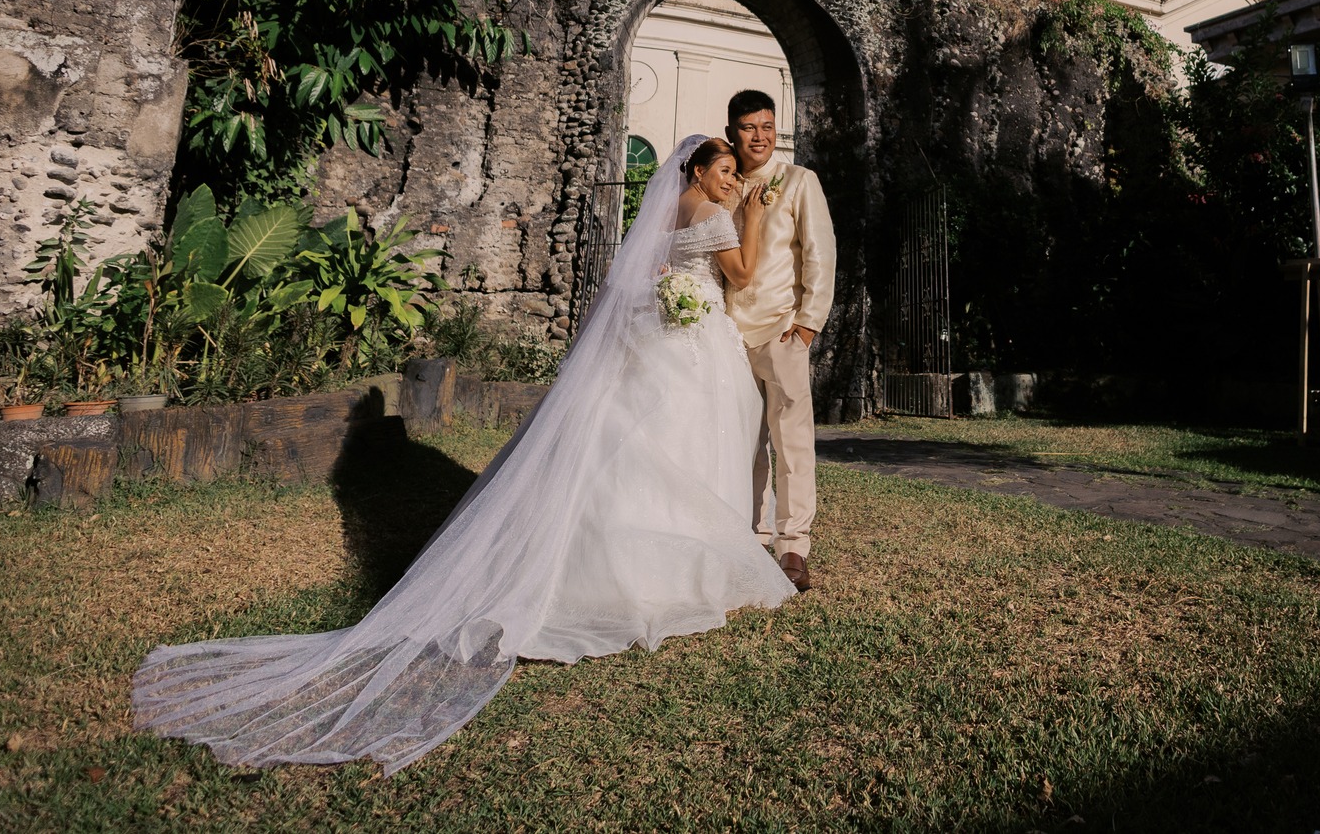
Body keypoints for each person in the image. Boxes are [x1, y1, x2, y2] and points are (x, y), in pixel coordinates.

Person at [131, 135, 794, 774]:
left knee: (641, 446)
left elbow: (643, 277)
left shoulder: (668, 213)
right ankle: (673, 572)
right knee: (682, 443)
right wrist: (755, 217)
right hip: (694, 341)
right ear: (699, 172)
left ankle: (625, 565)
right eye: (725, 170)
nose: (732, 180)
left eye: (736, 173)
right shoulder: (714, 213)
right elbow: (740, 273)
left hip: (663, 338)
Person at [722, 90, 836, 591]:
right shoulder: (722, 184)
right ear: (732, 133)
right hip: (728, 336)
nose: (760, 136)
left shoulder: (798, 181)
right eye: (749, 127)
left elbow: (820, 254)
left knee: (792, 443)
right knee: (744, 443)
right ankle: (750, 539)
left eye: (767, 126)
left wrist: (808, 323)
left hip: (782, 330)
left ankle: (793, 547)